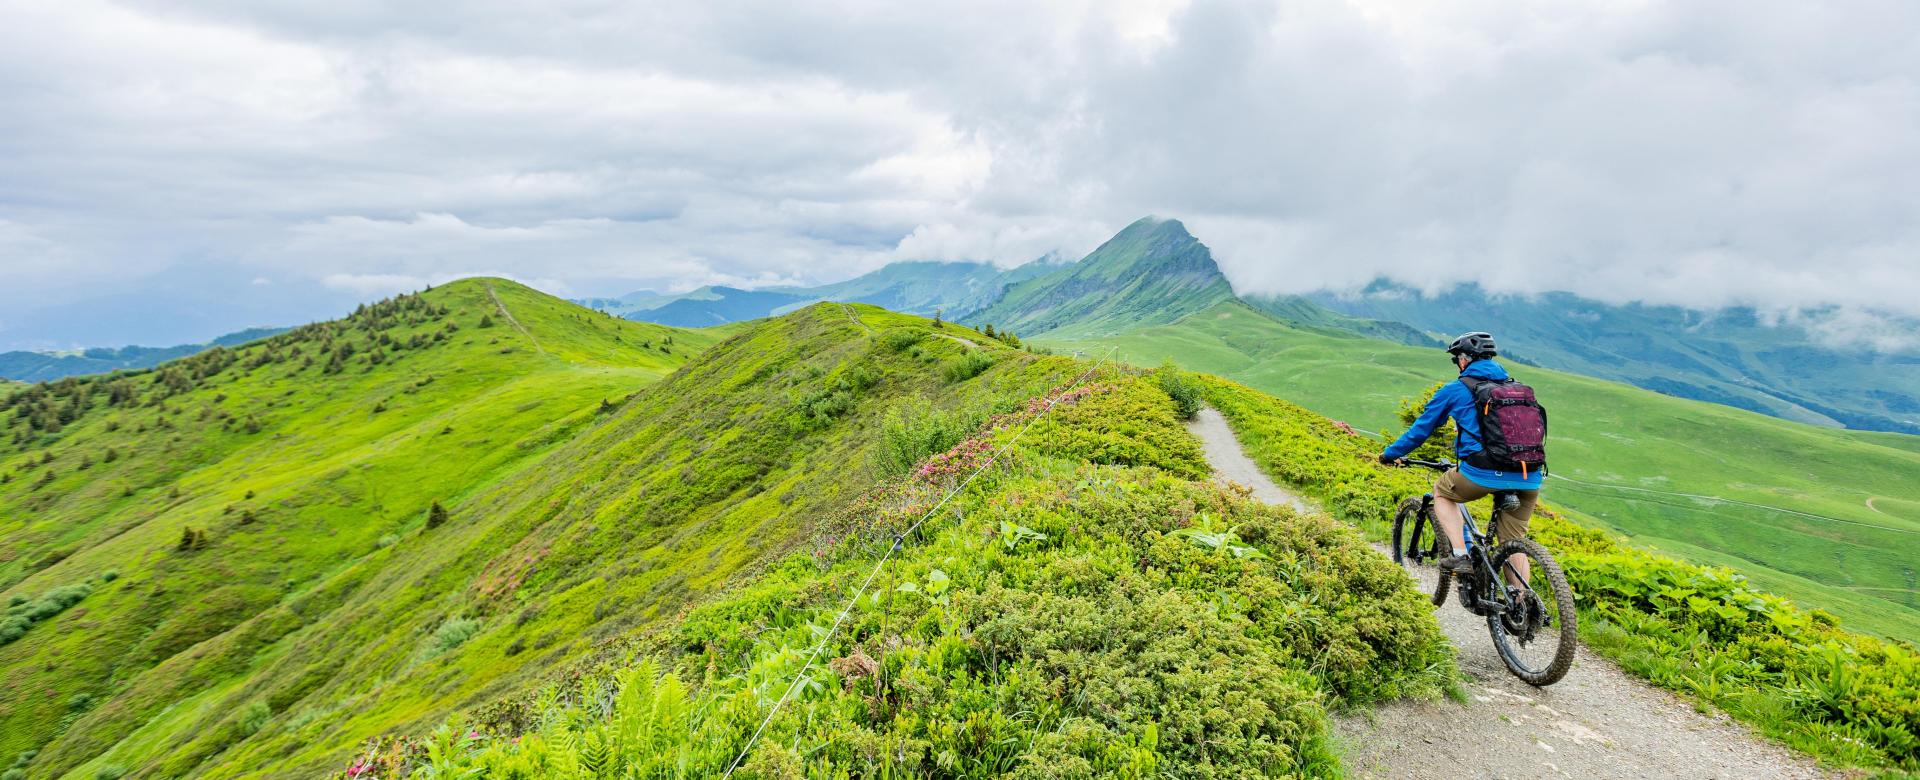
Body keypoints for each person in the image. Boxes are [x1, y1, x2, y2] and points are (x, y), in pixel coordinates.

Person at [1378, 331, 1544, 588]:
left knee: (1443, 492)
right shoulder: (1517, 389)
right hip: (1528, 475)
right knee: (1512, 542)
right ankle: (1522, 603)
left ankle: (1460, 555)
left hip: (1482, 472)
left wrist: (1389, 455)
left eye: (1457, 359)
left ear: (1465, 359)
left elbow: (1420, 430)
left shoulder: (1456, 389)